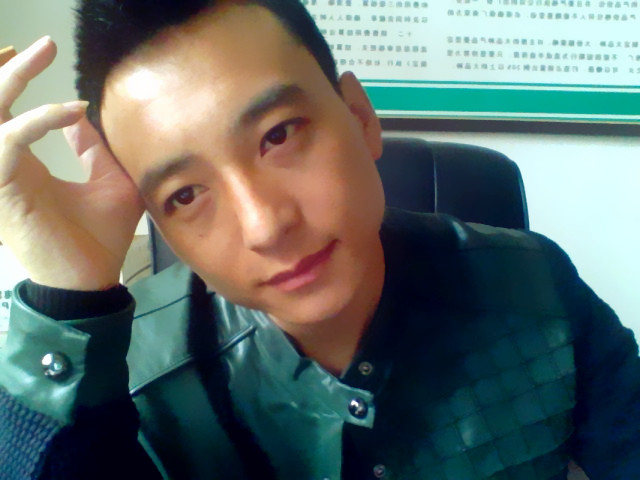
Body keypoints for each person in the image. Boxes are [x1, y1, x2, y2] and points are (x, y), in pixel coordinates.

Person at [0, 0, 638, 479]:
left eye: (278, 136)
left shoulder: (538, 286)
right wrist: (68, 296)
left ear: (359, 117)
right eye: (185, 195)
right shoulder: (128, 380)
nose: (264, 225)